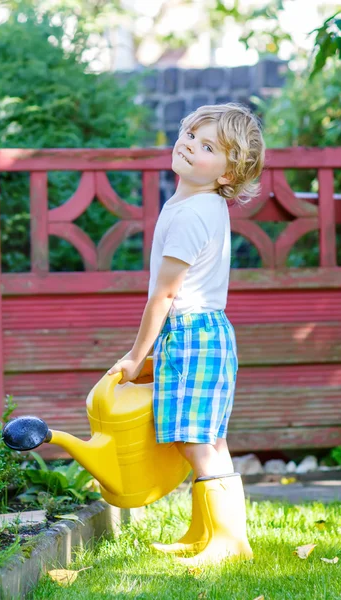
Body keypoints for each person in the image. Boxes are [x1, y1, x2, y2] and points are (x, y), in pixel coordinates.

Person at [107, 103, 265, 565]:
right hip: (210, 333)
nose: (191, 145)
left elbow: (164, 297)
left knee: (195, 440)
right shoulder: (199, 204)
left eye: (209, 146)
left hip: (192, 333)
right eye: (192, 134)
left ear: (227, 174)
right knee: (210, 438)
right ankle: (206, 532)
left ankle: (228, 544)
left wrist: (137, 356)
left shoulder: (188, 215)